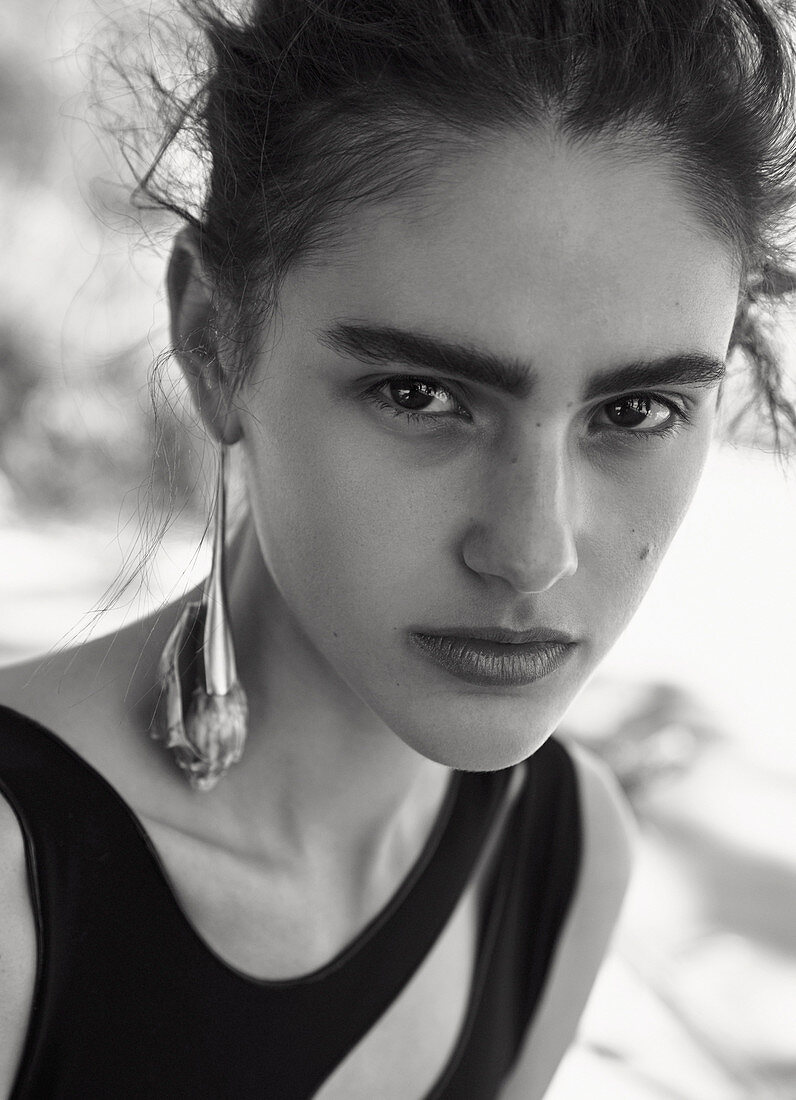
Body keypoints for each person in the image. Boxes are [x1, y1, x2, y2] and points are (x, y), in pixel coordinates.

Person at [1, 0, 796, 1096]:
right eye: (418, 393)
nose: (531, 552)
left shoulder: (563, 856)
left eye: (638, 411)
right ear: (212, 342)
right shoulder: (16, 895)